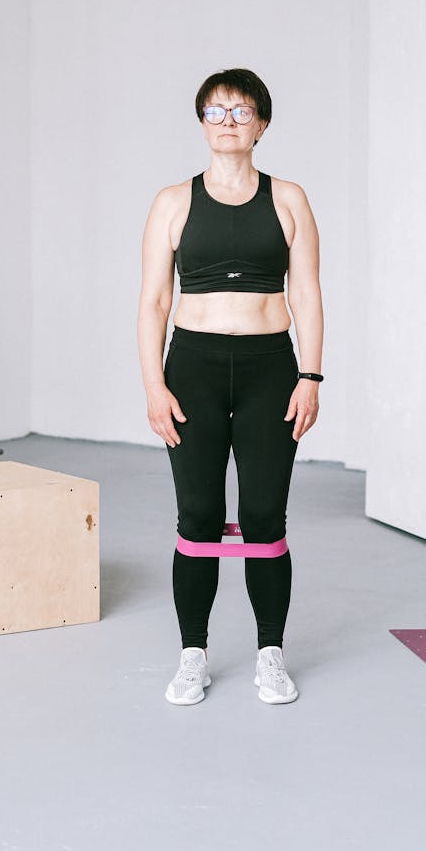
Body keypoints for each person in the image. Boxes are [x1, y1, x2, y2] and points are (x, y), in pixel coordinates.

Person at [137, 68, 323, 705]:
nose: (227, 121)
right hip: (193, 369)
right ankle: (194, 653)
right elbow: (154, 301)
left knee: (266, 515)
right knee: (199, 518)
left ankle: (271, 652)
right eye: (215, 112)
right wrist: (154, 386)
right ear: (201, 124)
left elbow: (306, 293)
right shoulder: (172, 201)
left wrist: (310, 375)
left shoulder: (290, 197)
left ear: (262, 125)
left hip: (272, 368)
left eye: (240, 111)